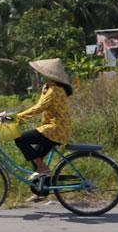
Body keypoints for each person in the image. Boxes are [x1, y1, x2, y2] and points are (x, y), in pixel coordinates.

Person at [11, 58, 73, 201]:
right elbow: (39, 105)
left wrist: (18, 118)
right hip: (55, 129)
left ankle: (43, 170)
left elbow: (39, 108)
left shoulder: (54, 91)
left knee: (20, 139)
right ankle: (41, 192)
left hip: (55, 130)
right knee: (37, 159)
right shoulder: (49, 88)